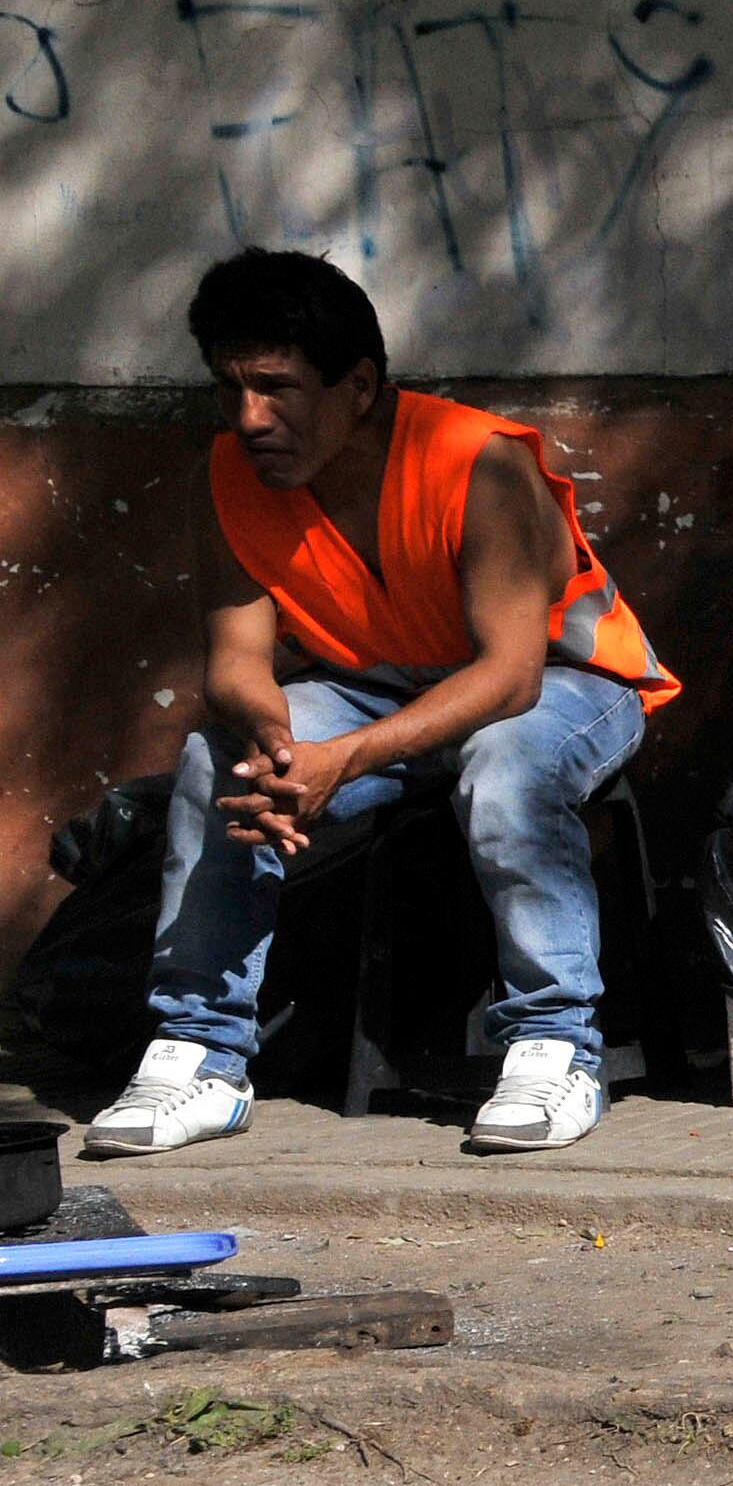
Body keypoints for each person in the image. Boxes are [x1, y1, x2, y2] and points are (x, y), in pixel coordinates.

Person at [85, 250, 679, 1157]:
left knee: (507, 761)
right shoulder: (231, 476)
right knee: (219, 761)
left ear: (358, 386)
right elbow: (236, 661)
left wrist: (344, 761)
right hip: (378, 692)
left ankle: (554, 1045)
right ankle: (200, 1057)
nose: (249, 418)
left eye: (276, 388)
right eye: (230, 387)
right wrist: (279, 746)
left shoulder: (478, 464)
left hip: (569, 684)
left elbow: (511, 675)